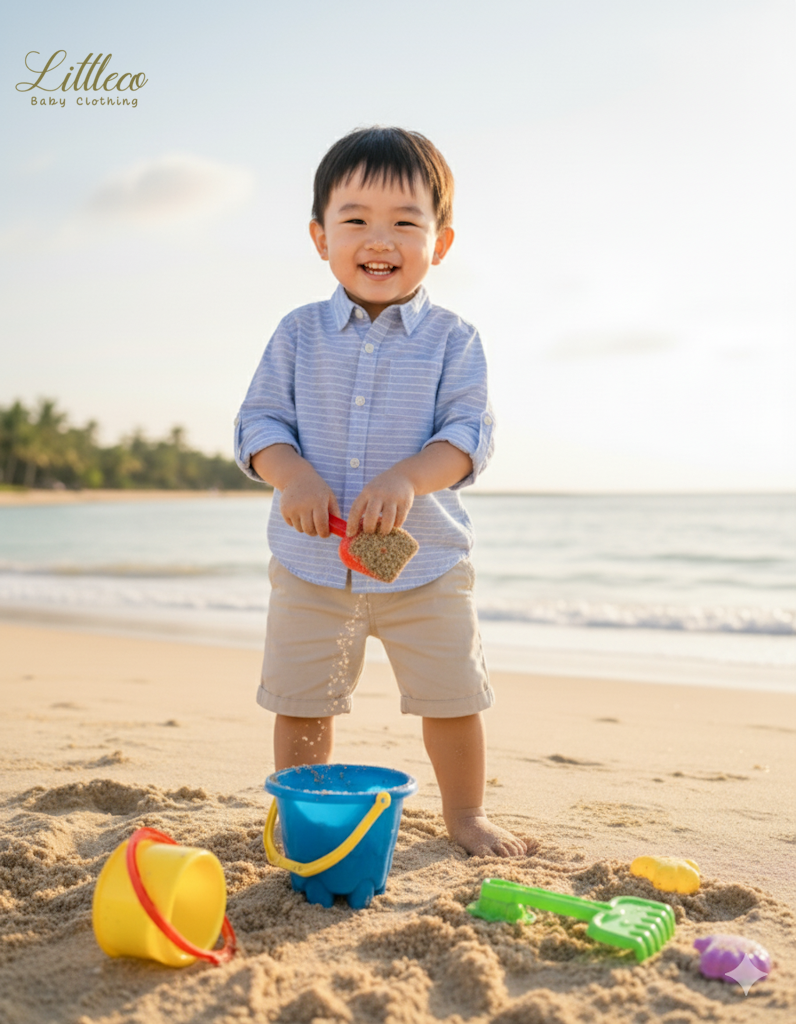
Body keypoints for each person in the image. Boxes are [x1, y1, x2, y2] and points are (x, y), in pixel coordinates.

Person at [235, 126, 527, 857]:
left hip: (424, 567)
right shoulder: (298, 335)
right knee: (304, 701)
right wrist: (292, 473)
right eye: (355, 219)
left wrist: (408, 476)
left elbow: (468, 437)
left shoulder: (454, 340)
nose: (379, 238)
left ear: (442, 243)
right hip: (311, 565)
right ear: (319, 236)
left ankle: (464, 815)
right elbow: (259, 422)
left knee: (453, 698)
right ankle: (304, 811)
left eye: (405, 222)